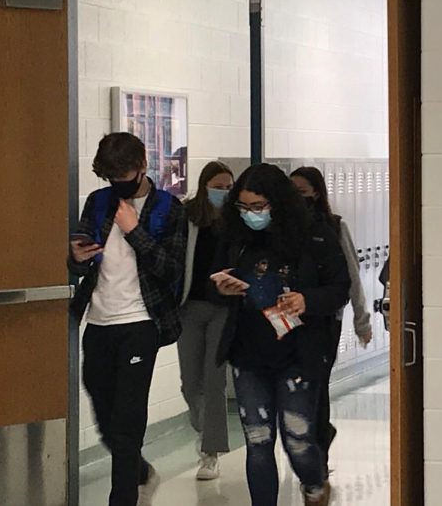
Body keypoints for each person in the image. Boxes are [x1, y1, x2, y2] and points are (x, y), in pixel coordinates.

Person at [211, 164, 349, 506]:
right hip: (249, 354)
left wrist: (307, 300)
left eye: (258, 207)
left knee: (298, 439)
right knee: (258, 441)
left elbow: (340, 288)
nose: (250, 215)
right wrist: (223, 289)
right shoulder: (235, 237)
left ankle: (315, 485)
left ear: (278, 203)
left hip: (297, 355)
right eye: (243, 207)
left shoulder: (315, 235)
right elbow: (212, 281)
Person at [68, 132, 186, 506]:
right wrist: (76, 258)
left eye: (125, 176)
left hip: (141, 322)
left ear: (142, 166)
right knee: (101, 406)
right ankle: (139, 472)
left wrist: (135, 231)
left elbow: (171, 270)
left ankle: (122, 498)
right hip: (99, 321)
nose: (118, 185)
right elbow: (79, 265)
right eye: (111, 178)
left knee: (128, 416)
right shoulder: (97, 202)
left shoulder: (169, 208)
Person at [290, 166, 373, 461]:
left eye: (302, 192)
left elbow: (352, 275)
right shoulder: (284, 229)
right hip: (290, 319)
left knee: (317, 384)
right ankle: (315, 437)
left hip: (326, 320)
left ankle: (318, 449)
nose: (297, 198)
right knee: (298, 386)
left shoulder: (334, 227)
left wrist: (362, 321)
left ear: (317, 193)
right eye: (292, 192)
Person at [177, 161, 235, 481]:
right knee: (190, 382)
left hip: (223, 309)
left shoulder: (237, 221)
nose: (223, 193)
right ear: (204, 185)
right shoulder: (188, 217)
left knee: (214, 381)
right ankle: (204, 430)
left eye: (228, 188)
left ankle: (210, 452)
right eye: (218, 186)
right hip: (191, 307)